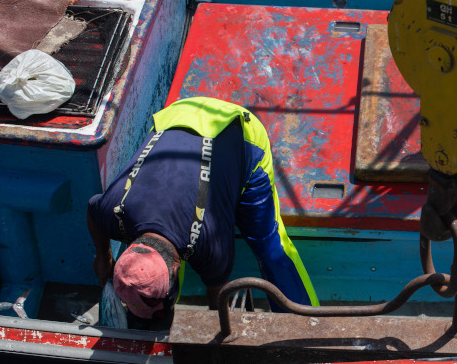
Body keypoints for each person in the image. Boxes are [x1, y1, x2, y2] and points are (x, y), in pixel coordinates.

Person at [88, 97, 319, 327]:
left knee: (269, 246)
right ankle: (162, 300)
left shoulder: (211, 244)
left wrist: (217, 335)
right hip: (175, 115)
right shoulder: (114, 211)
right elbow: (92, 208)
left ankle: (307, 327)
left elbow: (218, 302)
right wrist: (104, 257)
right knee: (177, 248)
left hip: (236, 130)